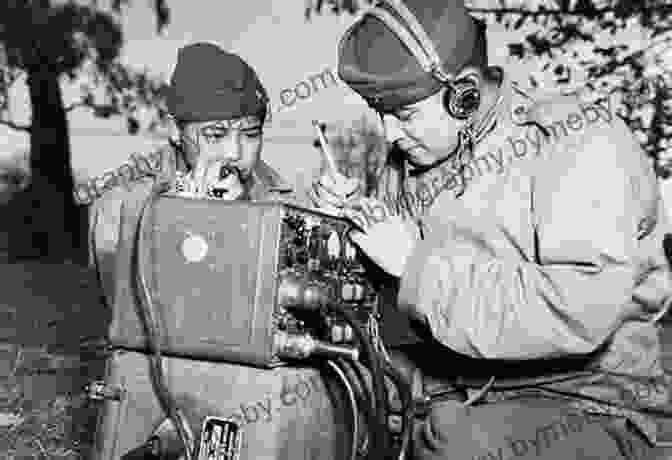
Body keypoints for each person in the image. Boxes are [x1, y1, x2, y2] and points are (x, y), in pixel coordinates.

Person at [311, 0, 672, 459]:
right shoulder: (415, 162)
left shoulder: (574, 141)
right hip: (448, 395)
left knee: (455, 445)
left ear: (464, 92)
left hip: (587, 402)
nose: (389, 133)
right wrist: (349, 228)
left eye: (402, 114)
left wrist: (413, 265)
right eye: (379, 112)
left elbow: (577, 312)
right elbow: (400, 307)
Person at [84, 42, 295, 308]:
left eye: (251, 135)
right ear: (176, 131)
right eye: (215, 135)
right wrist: (185, 223)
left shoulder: (283, 204)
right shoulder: (122, 207)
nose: (234, 151)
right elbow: (128, 318)